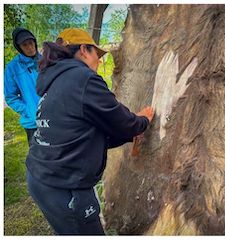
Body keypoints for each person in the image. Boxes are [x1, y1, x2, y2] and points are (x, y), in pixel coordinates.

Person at [26, 28, 154, 235]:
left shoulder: (55, 80)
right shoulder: (82, 78)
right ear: (84, 50)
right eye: (97, 54)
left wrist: (129, 134)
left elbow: (85, 132)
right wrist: (142, 121)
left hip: (40, 178)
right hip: (65, 185)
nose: (100, 61)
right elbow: (122, 121)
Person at [4, 27, 41, 146]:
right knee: (37, 158)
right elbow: (11, 97)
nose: (30, 47)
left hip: (54, 118)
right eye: (25, 45)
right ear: (19, 47)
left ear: (35, 42)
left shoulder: (46, 61)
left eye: (31, 43)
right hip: (33, 123)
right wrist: (29, 111)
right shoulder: (12, 68)